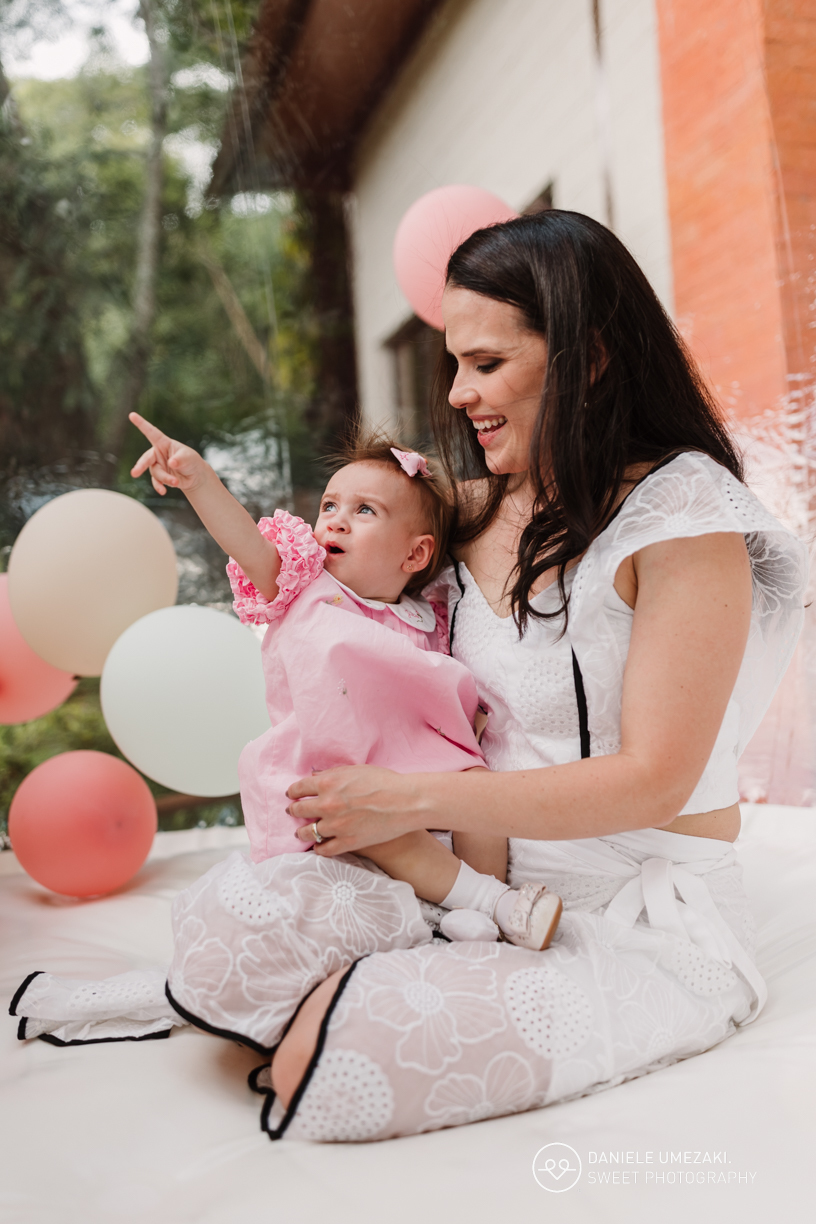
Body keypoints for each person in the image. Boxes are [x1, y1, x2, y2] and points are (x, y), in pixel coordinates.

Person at [255, 210, 808, 1143]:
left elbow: (654, 778)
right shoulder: (475, 507)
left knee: (324, 1059)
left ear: (588, 360)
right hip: (474, 885)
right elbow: (323, 574)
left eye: (486, 363)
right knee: (249, 938)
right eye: (453, 365)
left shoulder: (685, 521)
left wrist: (401, 796)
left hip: (637, 917)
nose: (459, 395)